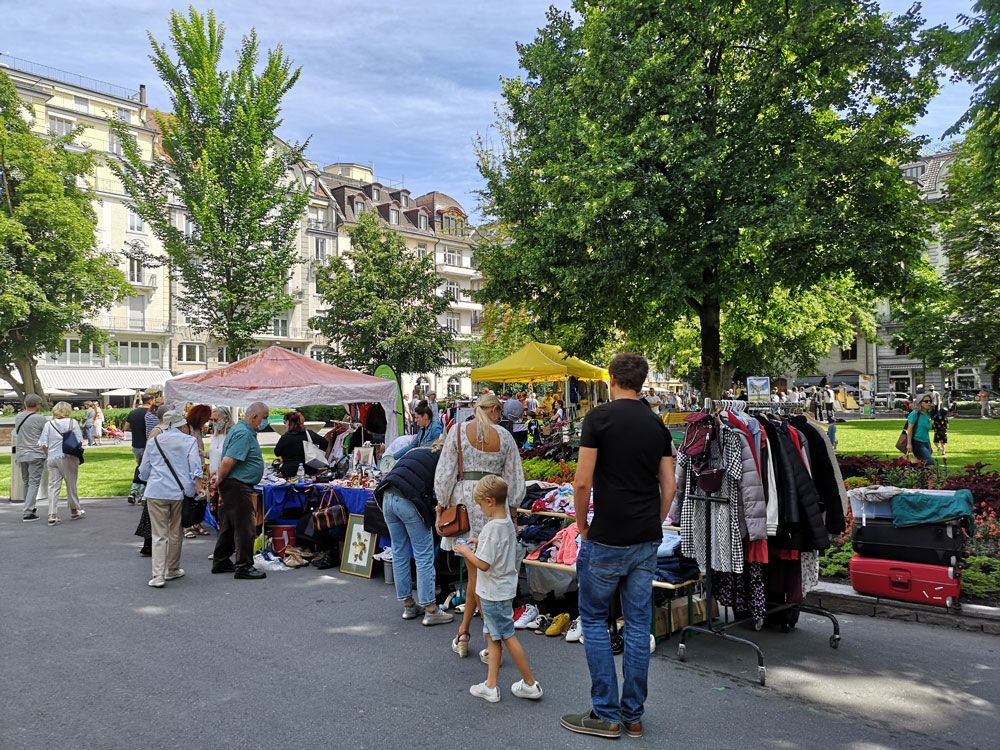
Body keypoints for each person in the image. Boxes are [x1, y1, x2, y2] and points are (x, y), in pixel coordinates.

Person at [561, 353, 675, 740]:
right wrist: (655, 520)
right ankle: (634, 715)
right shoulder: (657, 424)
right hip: (645, 538)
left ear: (612, 378)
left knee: (594, 620)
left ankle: (606, 714)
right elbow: (670, 486)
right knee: (638, 624)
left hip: (607, 536)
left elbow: (581, 481)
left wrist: (581, 524)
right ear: (642, 382)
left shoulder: (599, 418)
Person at [434, 392, 525, 658]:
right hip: (494, 505)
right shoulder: (505, 437)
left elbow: (445, 473)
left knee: (477, 575)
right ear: (496, 411)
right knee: (482, 575)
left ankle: (484, 637)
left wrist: (441, 503)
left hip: (465, 504)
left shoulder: (459, 431)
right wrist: (513, 509)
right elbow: (514, 478)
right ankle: (469, 633)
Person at [455, 475, 542, 703]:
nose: (481, 509)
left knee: (506, 636)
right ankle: (491, 685)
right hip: (502, 589)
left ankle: (530, 683)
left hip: (492, 592)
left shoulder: (492, 528)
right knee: (494, 637)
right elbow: (497, 552)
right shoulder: (506, 524)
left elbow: (484, 564)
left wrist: (466, 552)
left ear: (489, 501)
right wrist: (479, 544)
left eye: (481, 504)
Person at [376, 444, 454, 626]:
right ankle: (431, 609)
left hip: (387, 496)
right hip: (408, 500)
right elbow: (442, 490)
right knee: (423, 555)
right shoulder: (443, 460)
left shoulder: (418, 451)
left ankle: (409, 605)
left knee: (399, 552)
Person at [138, 410, 204, 588]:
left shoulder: (154, 442)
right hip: (180, 492)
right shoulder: (189, 441)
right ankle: (172, 568)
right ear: (181, 425)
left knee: (158, 534)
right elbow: (195, 466)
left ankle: (157, 575)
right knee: (176, 532)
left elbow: (143, 470)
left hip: (156, 491)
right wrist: (197, 485)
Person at [211, 402, 269, 580]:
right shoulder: (243, 433)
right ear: (254, 417)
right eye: (264, 418)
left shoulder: (240, 430)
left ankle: (220, 561)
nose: (265, 422)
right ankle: (244, 566)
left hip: (234, 484)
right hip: (237, 485)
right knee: (246, 527)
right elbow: (229, 460)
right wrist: (218, 479)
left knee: (229, 526)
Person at [38, 401, 86, 526]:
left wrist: (49, 455)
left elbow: (43, 443)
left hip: (52, 457)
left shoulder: (49, 424)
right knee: (71, 484)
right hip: (68, 457)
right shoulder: (72, 422)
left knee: (53, 486)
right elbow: (79, 441)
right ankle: (74, 510)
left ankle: (52, 514)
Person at [14, 394, 49, 523]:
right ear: (37, 404)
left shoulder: (18, 416)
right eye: (40, 404)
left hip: (21, 454)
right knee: (34, 483)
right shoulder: (40, 419)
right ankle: (28, 512)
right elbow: (46, 437)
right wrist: (47, 454)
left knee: (27, 482)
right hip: (35, 453)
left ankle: (29, 507)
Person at [179, 404, 212, 537]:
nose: (207, 421)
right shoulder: (186, 427)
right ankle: (186, 525)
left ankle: (196, 523)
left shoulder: (197, 428)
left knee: (200, 497)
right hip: (188, 467)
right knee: (188, 497)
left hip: (199, 464)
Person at [274, 411, 329, 478]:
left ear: (288, 422)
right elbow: (324, 442)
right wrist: (319, 454)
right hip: (308, 469)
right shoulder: (308, 434)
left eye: (285, 422)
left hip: (289, 471)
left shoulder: (285, 437)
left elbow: (277, 452)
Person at [125, 394, 156, 504]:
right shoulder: (151, 414)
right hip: (148, 445)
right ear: (151, 400)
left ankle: (134, 492)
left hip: (136, 444)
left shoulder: (133, 412)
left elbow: (126, 427)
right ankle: (142, 495)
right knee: (147, 470)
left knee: (140, 468)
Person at [906, 394, 935, 466]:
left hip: (926, 442)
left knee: (922, 464)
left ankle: (921, 476)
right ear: (920, 402)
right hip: (917, 443)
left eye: (930, 401)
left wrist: (929, 445)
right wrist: (909, 444)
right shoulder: (915, 414)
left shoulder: (927, 415)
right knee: (930, 463)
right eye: (926, 401)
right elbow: (909, 430)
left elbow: (926, 431)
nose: (929, 403)